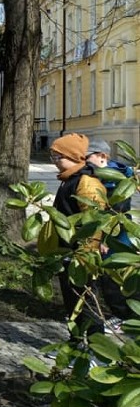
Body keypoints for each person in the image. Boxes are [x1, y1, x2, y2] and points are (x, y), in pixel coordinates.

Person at [50, 133, 109, 342]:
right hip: (68, 252)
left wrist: (85, 253)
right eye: (53, 157)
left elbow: (94, 222)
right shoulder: (69, 180)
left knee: (88, 303)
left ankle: (97, 350)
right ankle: (75, 345)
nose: (55, 162)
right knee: (72, 304)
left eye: (58, 157)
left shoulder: (86, 183)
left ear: (74, 157)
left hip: (82, 256)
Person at [84, 138, 134, 333]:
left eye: (88, 157)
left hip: (116, 236)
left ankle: (125, 318)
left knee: (113, 279)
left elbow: (116, 211)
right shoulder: (102, 175)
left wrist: (104, 238)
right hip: (108, 233)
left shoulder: (115, 178)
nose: (85, 162)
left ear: (102, 156)